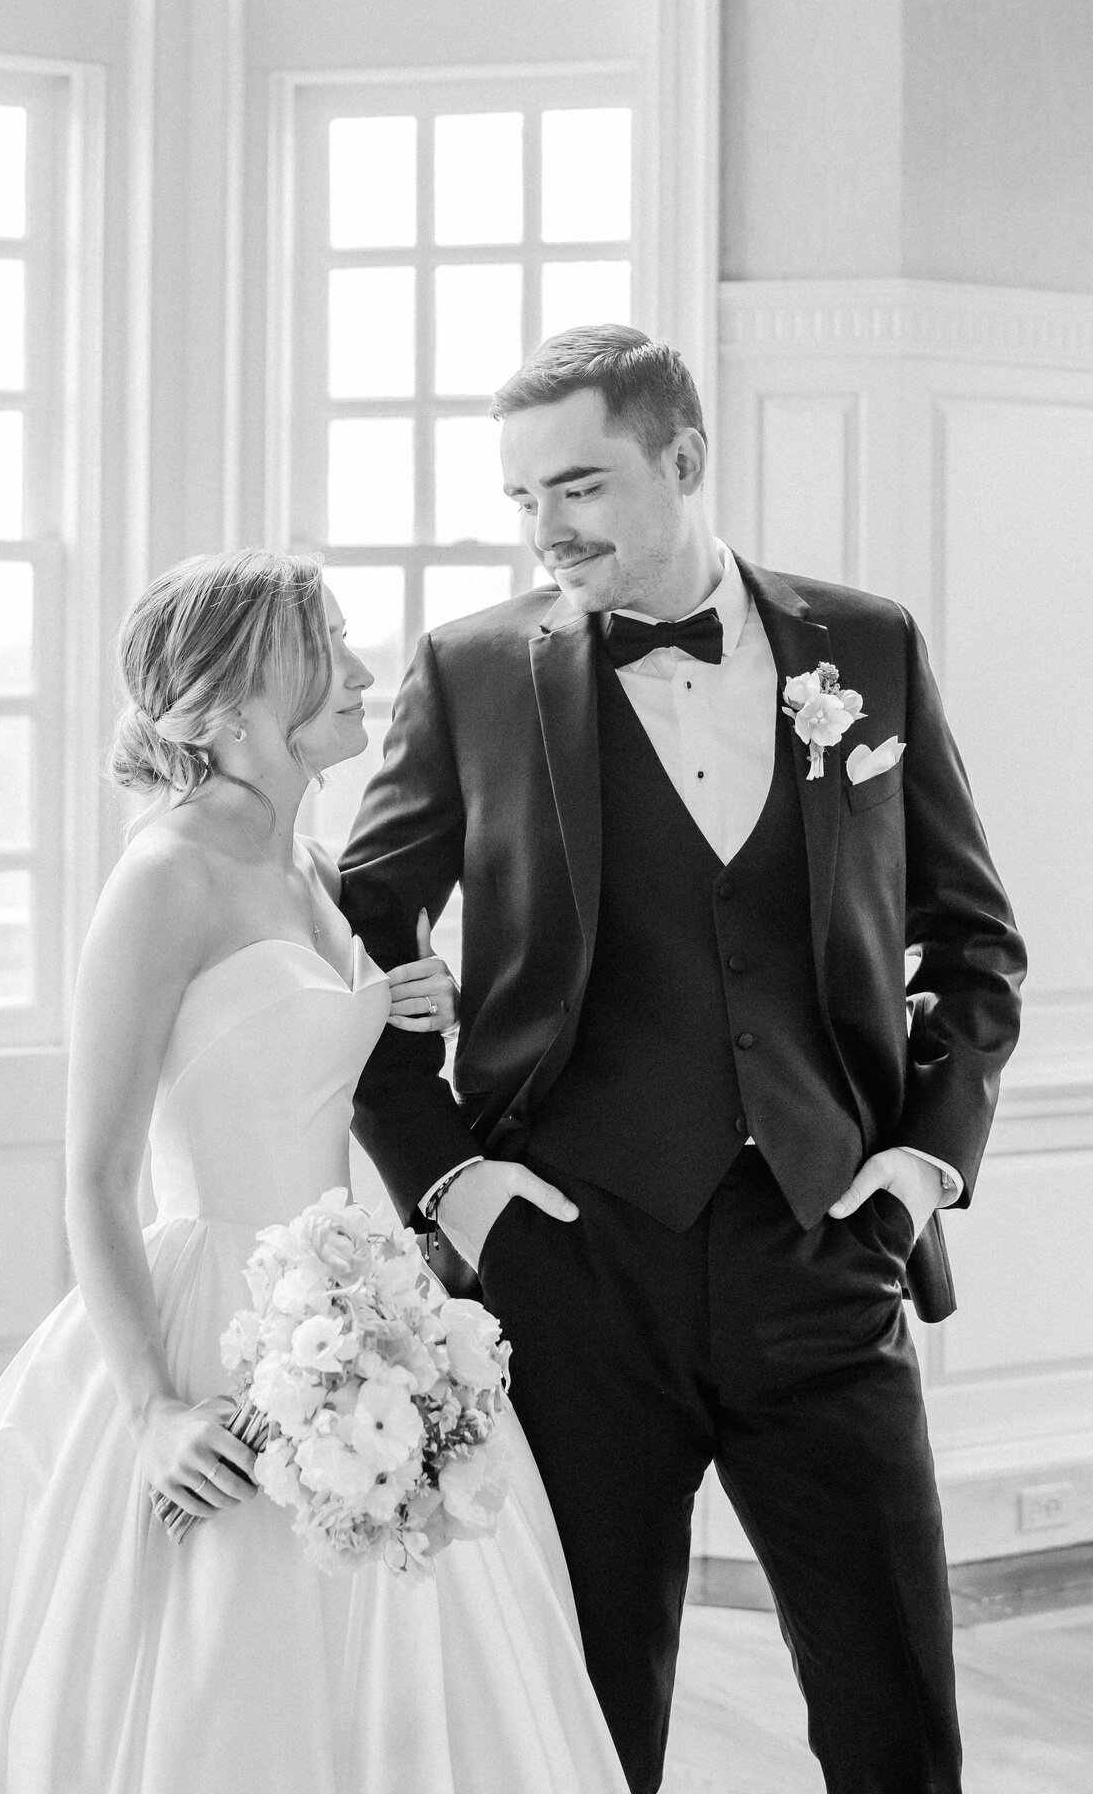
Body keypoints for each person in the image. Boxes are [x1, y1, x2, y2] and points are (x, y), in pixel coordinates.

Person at [338, 326, 1027, 1794]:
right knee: (588, 1730)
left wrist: (914, 1170)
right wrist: (452, 1185)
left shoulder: (870, 646)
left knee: (898, 1716)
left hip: (824, 1256)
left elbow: (973, 946)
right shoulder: (470, 674)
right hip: (570, 1274)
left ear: (685, 461)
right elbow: (343, 952)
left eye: (577, 484)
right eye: (523, 498)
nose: (547, 528)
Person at [0, 549, 630, 1794]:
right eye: (323, 648)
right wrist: (152, 1412)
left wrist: (410, 998)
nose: (359, 669)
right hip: (210, 1320)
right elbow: (97, 1173)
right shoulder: (163, 878)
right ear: (233, 697)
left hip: (350, 1299)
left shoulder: (315, 869)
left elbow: (309, 1052)